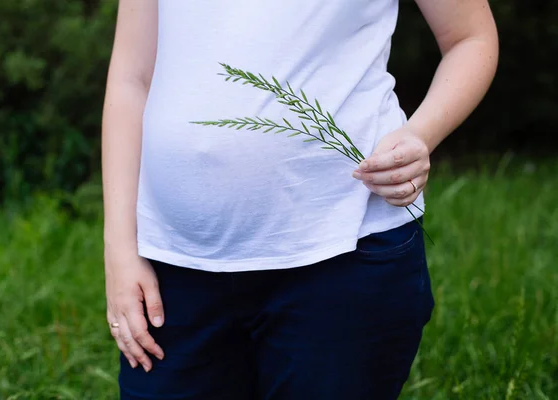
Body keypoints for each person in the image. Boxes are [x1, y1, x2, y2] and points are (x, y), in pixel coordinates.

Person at [101, 0, 498, 398]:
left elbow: (470, 37)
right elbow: (132, 78)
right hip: (174, 267)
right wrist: (119, 250)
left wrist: (420, 135)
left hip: (343, 256)